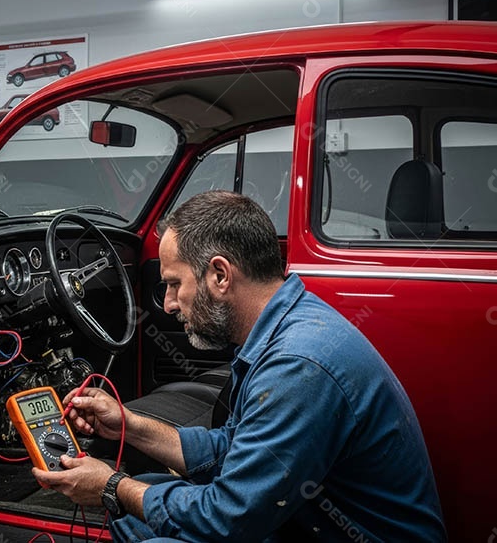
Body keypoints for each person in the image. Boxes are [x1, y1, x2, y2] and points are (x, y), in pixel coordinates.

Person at [33, 191, 446, 542]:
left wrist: (110, 485)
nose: (170, 303)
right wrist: (128, 425)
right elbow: (231, 448)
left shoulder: (295, 366)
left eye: (175, 283)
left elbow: (228, 517)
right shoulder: (286, 325)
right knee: (138, 508)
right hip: (304, 520)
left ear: (219, 275)